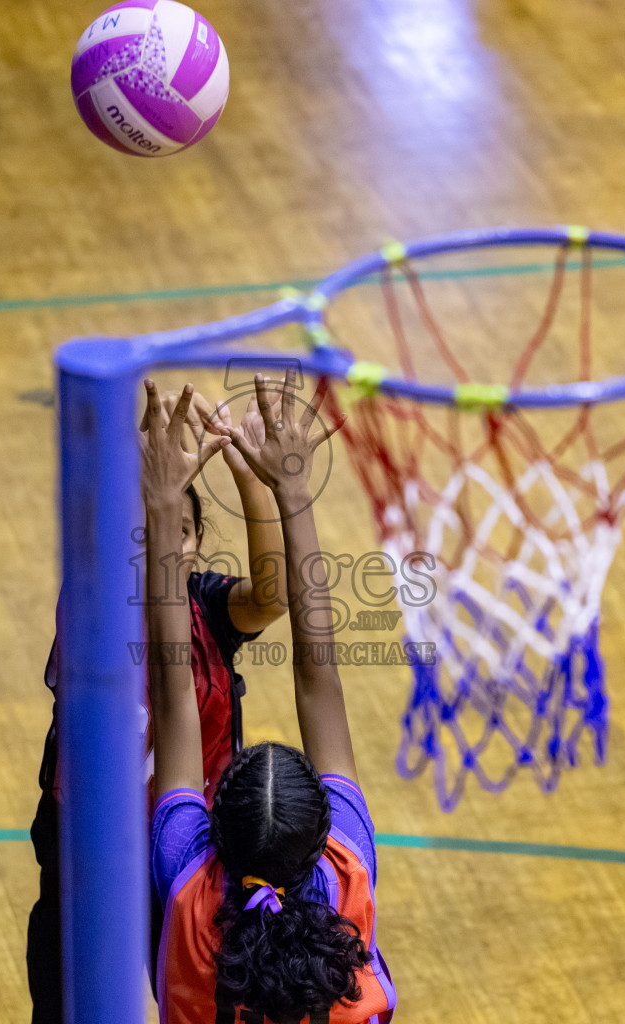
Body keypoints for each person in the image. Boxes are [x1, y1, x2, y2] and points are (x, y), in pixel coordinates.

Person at [27, 390, 290, 1023]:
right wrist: (147, 478)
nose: (164, 542)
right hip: (91, 849)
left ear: (198, 542)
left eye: (179, 529)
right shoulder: (90, 606)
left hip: (192, 847)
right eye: (145, 529)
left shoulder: (207, 607)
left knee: (201, 1000)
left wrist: (247, 472)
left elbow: (277, 593)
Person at [144, 374, 395, 1024]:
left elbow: (174, 697)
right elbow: (322, 684)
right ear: (323, 835)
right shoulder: (345, 875)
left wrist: (162, 505)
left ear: (211, 832)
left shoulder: (188, 890)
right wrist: (291, 489)